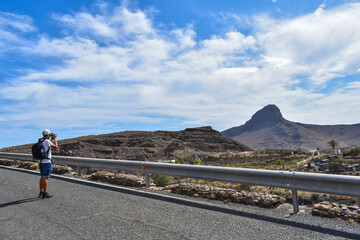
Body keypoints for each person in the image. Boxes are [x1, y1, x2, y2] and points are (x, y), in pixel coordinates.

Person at [39, 129, 58, 199]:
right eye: (50, 135)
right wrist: (55, 139)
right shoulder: (47, 141)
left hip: (40, 162)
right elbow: (56, 147)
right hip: (46, 162)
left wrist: (51, 140)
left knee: (42, 177)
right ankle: (45, 193)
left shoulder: (41, 140)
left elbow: (48, 145)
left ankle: (41, 191)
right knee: (45, 177)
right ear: (48, 135)